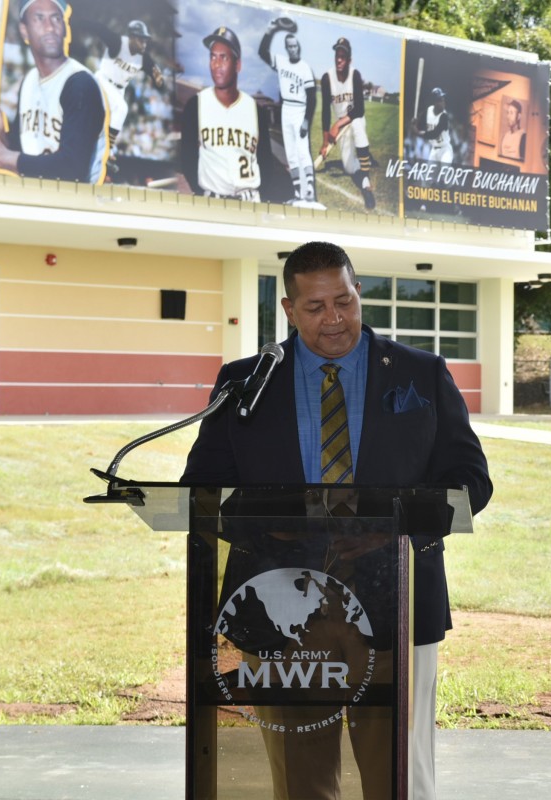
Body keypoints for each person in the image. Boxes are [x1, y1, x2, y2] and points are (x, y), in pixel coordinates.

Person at [182, 241, 493, 800]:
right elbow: (202, 490)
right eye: (316, 307)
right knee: (300, 773)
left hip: (396, 596)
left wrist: (397, 530)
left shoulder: (421, 375)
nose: (334, 320)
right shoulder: (245, 382)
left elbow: (471, 479)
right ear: (287, 309)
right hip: (279, 604)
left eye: (345, 302)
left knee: (396, 768)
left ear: (358, 294)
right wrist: (273, 530)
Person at [0, 0, 108, 184]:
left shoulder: (80, 84)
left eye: (56, 19)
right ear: (24, 31)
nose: (50, 27)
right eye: (39, 19)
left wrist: (2, 157)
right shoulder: (29, 81)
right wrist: (2, 138)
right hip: (37, 197)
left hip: (78, 204)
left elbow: (72, 169)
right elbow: (24, 151)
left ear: (64, 27)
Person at [180, 25, 272, 201]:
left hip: (250, 201)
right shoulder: (196, 105)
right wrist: (202, 194)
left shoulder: (255, 110)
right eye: (212, 57)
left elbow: (266, 164)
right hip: (212, 202)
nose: (216, 64)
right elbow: (187, 158)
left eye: (224, 58)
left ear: (237, 65)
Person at [72, 18, 165, 162]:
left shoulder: (143, 58)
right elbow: (99, 27)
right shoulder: (118, 42)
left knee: (105, 120)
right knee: (121, 108)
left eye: (146, 40)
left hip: (118, 91)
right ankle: (108, 149)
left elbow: (156, 76)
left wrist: (159, 80)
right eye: (141, 39)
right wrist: (79, 23)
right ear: (132, 37)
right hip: (102, 82)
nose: (144, 43)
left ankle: (97, 146)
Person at [259, 17, 317, 203]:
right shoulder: (281, 62)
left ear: (298, 46)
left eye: (295, 46)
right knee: (291, 154)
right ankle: (298, 193)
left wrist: (307, 120)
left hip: (299, 109)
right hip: (286, 110)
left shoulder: (305, 68)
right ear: (286, 48)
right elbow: (262, 52)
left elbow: (312, 97)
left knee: (302, 152)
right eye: (290, 46)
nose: (293, 49)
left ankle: (310, 191)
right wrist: (271, 30)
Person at [319, 38, 376, 211]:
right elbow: (325, 110)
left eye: (343, 56)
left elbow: (359, 109)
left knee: (358, 126)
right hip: (342, 128)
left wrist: (337, 124)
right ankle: (362, 156)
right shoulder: (327, 78)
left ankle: (366, 183)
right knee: (349, 168)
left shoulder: (355, 75)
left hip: (354, 119)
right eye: (337, 55)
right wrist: (324, 141)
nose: (339, 59)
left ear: (349, 60)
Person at [410, 87, 453, 165]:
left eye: (443, 100)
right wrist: (414, 124)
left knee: (444, 173)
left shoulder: (444, 116)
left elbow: (434, 134)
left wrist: (417, 133)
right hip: (434, 150)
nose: (443, 103)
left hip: (445, 150)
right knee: (429, 176)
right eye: (440, 100)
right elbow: (419, 126)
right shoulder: (428, 111)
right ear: (434, 102)